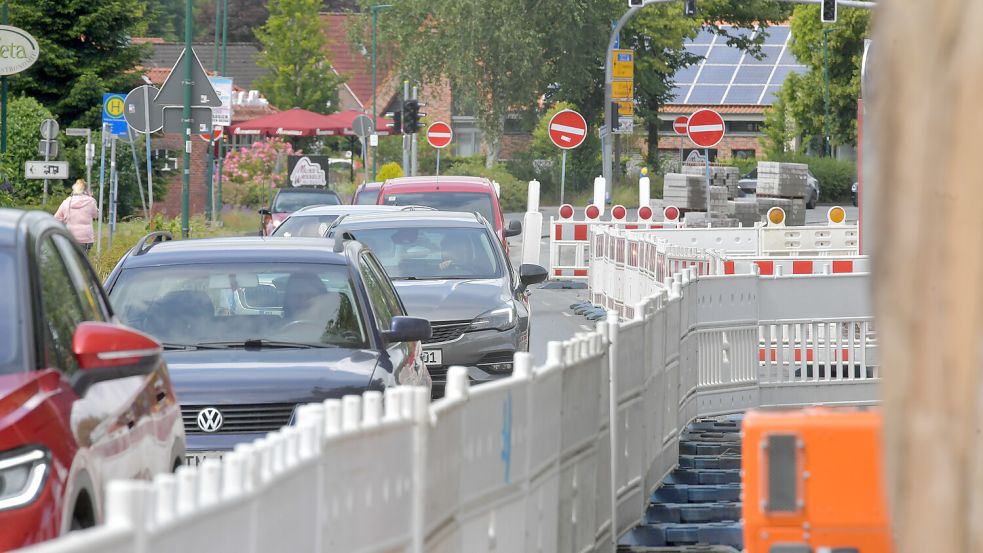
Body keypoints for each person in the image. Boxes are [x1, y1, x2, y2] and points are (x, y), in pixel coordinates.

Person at [54, 179, 99, 253]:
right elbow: (96, 215)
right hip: (86, 238)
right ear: (87, 190)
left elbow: (56, 219)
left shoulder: (66, 202)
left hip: (70, 237)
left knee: (71, 262)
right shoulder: (91, 201)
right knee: (83, 262)